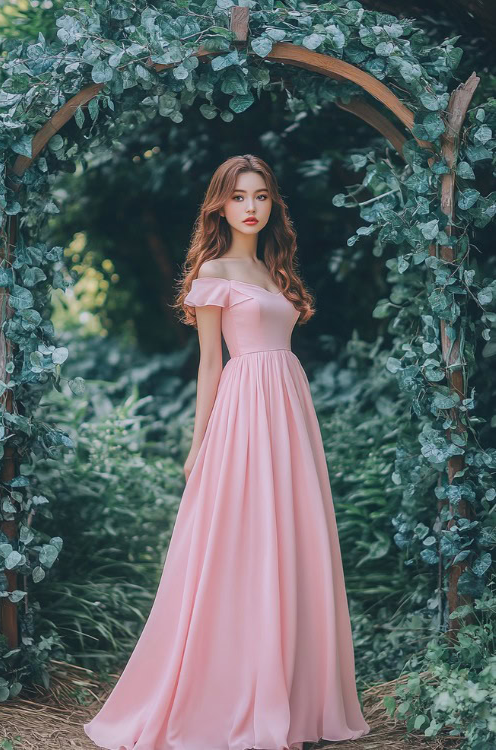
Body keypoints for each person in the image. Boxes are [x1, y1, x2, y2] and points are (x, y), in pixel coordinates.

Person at [83, 154, 371, 750]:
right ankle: (233, 692)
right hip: (245, 412)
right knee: (243, 543)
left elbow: (278, 345)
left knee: (292, 540)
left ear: (272, 205)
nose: (251, 206)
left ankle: (293, 695)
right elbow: (210, 363)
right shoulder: (213, 271)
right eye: (239, 196)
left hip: (290, 409)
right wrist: (198, 445)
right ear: (220, 204)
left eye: (261, 196)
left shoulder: (273, 269)